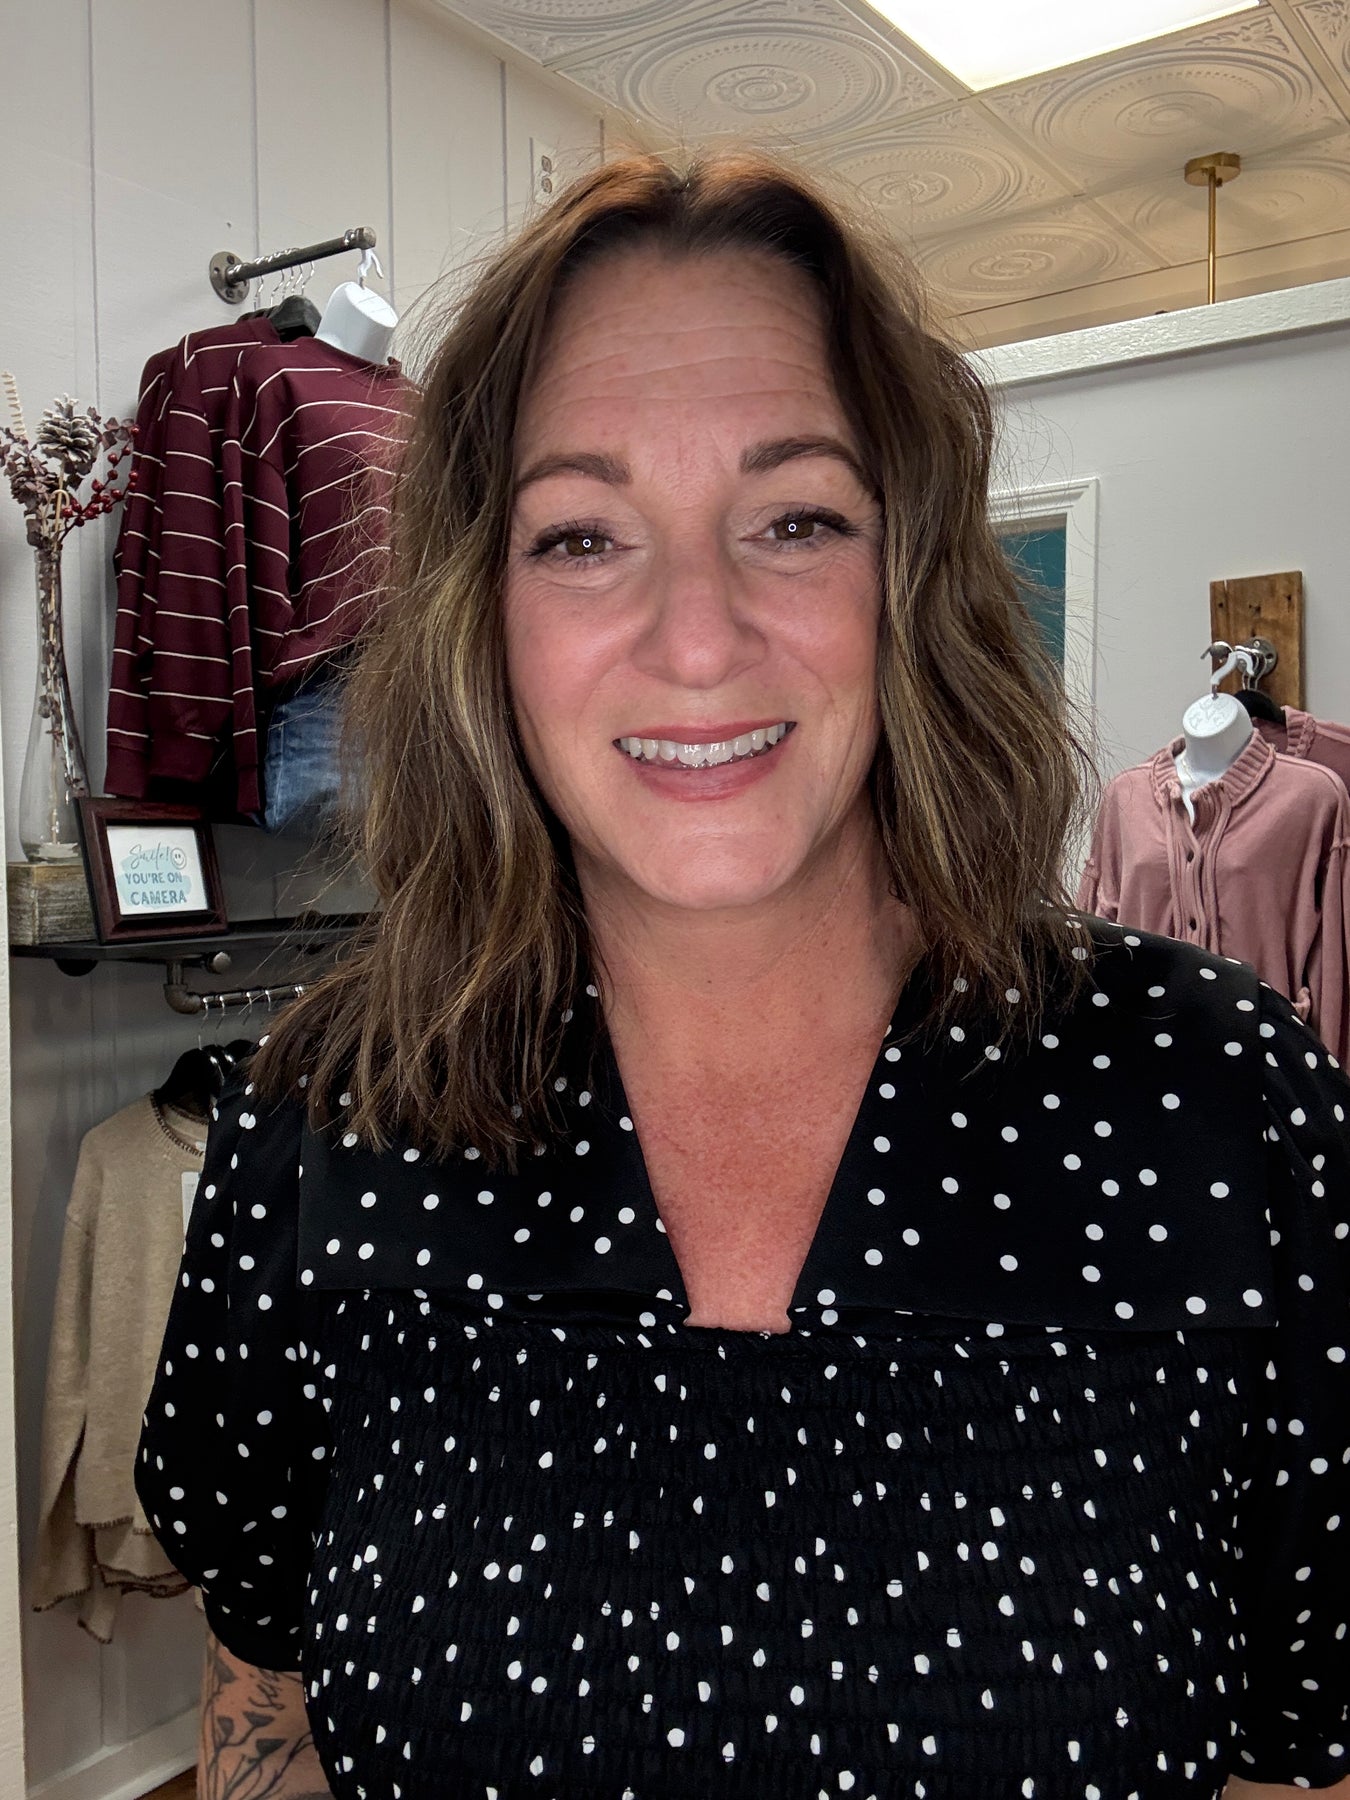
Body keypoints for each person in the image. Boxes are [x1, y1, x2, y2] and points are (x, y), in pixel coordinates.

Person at [136, 149, 1350, 1800]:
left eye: (794, 520)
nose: (696, 638)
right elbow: (264, 1689)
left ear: (910, 581)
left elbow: (1303, 1745)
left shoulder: (1221, 1101)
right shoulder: (327, 1117)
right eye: (581, 536)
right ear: (479, 614)